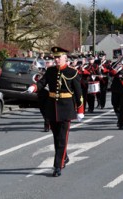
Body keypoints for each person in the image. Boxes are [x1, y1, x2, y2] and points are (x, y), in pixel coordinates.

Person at [28, 49, 84, 177]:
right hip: (52, 107)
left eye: (59, 57)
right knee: (56, 137)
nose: (56, 60)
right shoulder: (51, 71)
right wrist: (34, 87)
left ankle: (57, 166)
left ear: (65, 58)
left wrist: (80, 110)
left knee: (62, 138)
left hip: (66, 108)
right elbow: (42, 83)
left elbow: (78, 93)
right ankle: (64, 156)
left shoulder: (72, 72)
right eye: (55, 57)